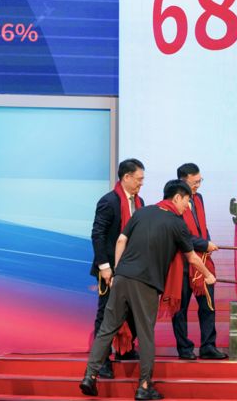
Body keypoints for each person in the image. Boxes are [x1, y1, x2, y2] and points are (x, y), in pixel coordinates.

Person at [80, 179, 216, 400]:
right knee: (146, 335)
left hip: (122, 277)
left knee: (107, 329)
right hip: (146, 283)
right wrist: (208, 275)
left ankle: (89, 376)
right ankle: (144, 386)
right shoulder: (177, 223)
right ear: (177, 197)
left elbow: (121, 240)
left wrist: (118, 270)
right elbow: (192, 257)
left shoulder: (142, 212)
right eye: (187, 201)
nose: (187, 206)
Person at [89, 158, 145, 378]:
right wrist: (104, 266)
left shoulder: (139, 202)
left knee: (131, 311)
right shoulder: (109, 201)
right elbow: (98, 235)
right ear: (126, 177)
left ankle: (126, 349)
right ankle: (102, 361)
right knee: (106, 314)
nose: (141, 183)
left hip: (132, 269)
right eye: (139, 179)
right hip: (110, 269)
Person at [170, 163, 226, 360]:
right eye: (195, 182)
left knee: (208, 306)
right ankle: (184, 348)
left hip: (202, 261)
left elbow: (203, 227)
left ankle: (208, 346)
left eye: (200, 181)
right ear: (182, 181)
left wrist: (207, 242)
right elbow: (180, 234)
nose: (198, 185)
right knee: (181, 309)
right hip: (182, 263)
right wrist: (204, 244)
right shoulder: (173, 201)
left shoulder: (198, 198)